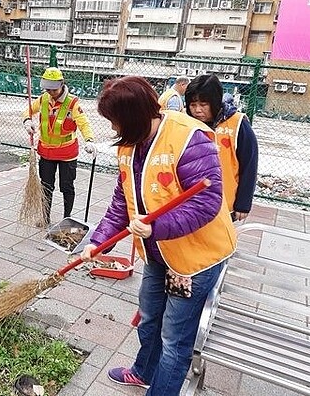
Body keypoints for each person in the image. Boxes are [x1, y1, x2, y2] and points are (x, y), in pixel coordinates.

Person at [80, 76, 236, 396]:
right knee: (150, 317)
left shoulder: (189, 138)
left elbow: (207, 203)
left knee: (174, 338)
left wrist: (156, 227)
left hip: (193, 260)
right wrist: (98, 241)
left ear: (135, 117)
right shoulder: (129, 144)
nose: (113, 130)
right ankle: (143, 371)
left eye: (116, 122)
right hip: (157, 253)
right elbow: (122, 202)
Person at [22, 67, 95, 225]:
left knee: (66, 187)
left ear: (62, 84)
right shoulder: (43, 99)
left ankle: (66, 218)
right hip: (46, 152)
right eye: (47, 88)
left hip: (66, 154)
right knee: (46, 186)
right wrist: (27, 120)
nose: (50, 91)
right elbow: (28, 110)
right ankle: (45, 217)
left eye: (53, 88)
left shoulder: (72, 103)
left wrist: (89, 140)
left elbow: (83, 123)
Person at [185, 74, 258, 221]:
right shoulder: (186, 124)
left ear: (215, 101)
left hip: (224, 203)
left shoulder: (238, 124)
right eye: (193, 105)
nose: (197, 110)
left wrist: (243, 203)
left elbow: (250, 164)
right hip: (191, 203)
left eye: (203, 104)